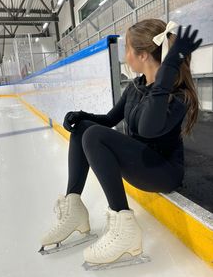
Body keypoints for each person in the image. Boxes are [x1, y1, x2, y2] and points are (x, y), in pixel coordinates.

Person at [40, 19, 202, 267]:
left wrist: (166, 74)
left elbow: (149, 128)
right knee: (84, 129)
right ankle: (74, 207)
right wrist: (82, 116)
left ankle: (124, 226)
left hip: (163, 172)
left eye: (128, 50)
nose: (125, 56)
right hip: (141, 162)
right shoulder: (135, 87)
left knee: (94, 136)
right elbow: (108, 119)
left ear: (144, 55)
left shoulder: (177, 95)